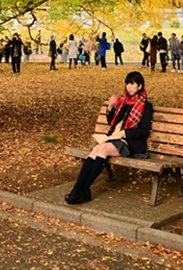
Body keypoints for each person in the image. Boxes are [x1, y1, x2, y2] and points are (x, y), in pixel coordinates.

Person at [65, 71, 153, 205]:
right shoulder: (123, 102)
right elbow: (112, 121)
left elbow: (144, 131)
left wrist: (124, 133)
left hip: (129, 143)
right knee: (95, 150)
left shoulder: (146, 105)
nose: (129, 87)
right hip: (113, 138)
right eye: (127, 84)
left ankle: (80, 191)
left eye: (132, 84)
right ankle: (79, 190)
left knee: (103, 149)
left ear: (139, 86)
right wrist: (111, 106)